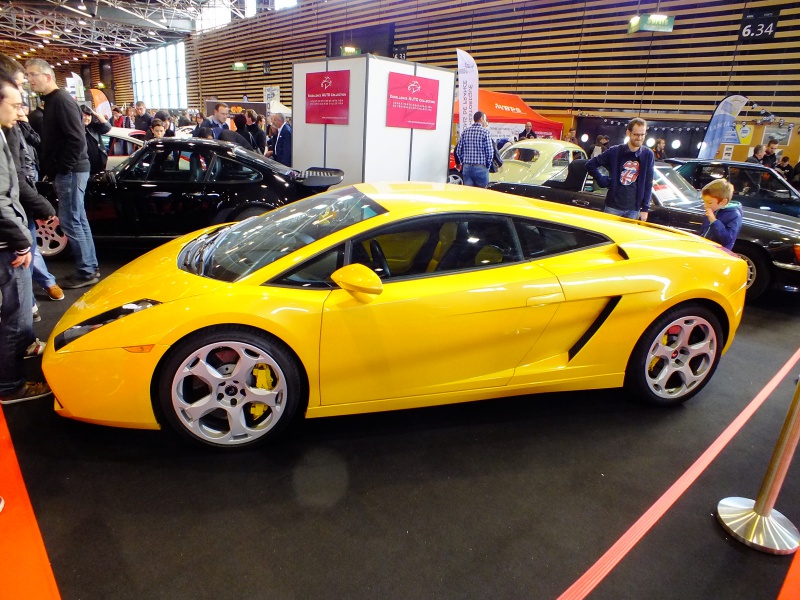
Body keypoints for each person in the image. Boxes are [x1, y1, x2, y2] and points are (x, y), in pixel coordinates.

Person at [0, 73, 52, 404]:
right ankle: (10, 384)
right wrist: (21, 242)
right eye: (16, 104)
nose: (21, 112)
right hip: (7, 244)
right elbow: (0, 200)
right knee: (15, 316)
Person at [26, 58, 100, 289]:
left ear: (47, 76)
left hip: (72, 171)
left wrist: (63, 168)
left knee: (70, 221)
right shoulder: (55, 101)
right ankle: (89, 267)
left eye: (32, 75)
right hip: (72, 170)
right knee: (77, 220)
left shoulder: (61, 100)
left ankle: (86, 270)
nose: (29, 80)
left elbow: (77, 139)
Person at [0, 54, 61, 306]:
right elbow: (6, 188)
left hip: (21, 201)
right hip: (12, 217)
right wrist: (42, 205)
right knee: (17, 298)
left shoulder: (15, 126)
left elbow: (33, 145)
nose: (24, 88)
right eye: (20, 83)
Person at [585, 117, 654, 221]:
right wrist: (602, 179)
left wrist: (645, 209)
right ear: (628, 133)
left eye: (642, 135)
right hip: (613, 206)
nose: (639, 138)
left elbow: (648, 182)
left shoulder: (648, 154)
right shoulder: (615, 151)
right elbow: (590, 164)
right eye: (636, 134)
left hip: (634, 208)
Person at [454, 111, 494, 188]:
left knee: (469, 194)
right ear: (481, 119)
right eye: (485, 119)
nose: (485, 121)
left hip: (467, 167)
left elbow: (458, 150)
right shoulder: (485, 132)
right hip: (481, 167)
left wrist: (462, 162)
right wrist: (487, 166)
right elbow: (490, 152)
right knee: (482, 194)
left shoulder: (465, 132)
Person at [699, 178, 741, 250]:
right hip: (706, 249)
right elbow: (704, 230)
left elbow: (727, 239)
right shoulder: (713, 210)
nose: (705, 205)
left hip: (719, 253)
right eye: (704, 202)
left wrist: (714, 221)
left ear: (723, 202)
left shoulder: (734, 215)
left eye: (709, 202)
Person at [81, 105, 112, 175]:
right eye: (84, 115)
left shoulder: (94, 127)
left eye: (89, 116)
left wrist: (95, 113)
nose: (87, 118)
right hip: (84, 165)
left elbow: (108, 127)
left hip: (98, 163)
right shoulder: (76, 129)